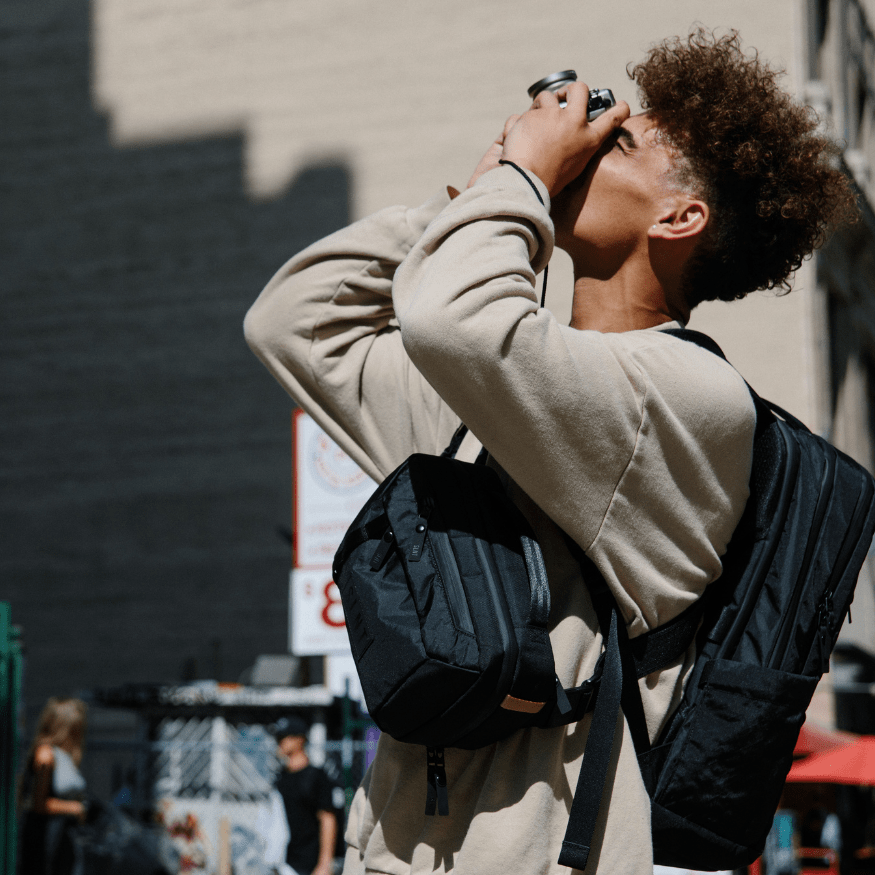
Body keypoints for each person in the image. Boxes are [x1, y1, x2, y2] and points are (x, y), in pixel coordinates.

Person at [245, 28, 855, 875]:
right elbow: (298, 322)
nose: (585, 143)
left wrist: (523, 180)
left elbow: (452, 323)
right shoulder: (507, 388)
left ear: (679, 217)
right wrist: (479, 192)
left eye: (620, 141)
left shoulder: (688, 399)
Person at [18, 697, 89, 875]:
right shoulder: (45, 755)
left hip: (62, 839)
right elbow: (38, 803)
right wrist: (74, 808)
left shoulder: (62, 756)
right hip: (46, 841)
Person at [269, 716, 338, 875]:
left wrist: (325, 864)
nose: (279, 742)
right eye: (277, 738)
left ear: (300, 739)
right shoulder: (281, 778)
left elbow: (328, 819)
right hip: (285, 862)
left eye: (284, 737)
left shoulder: (316, 776)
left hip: (310, 865)